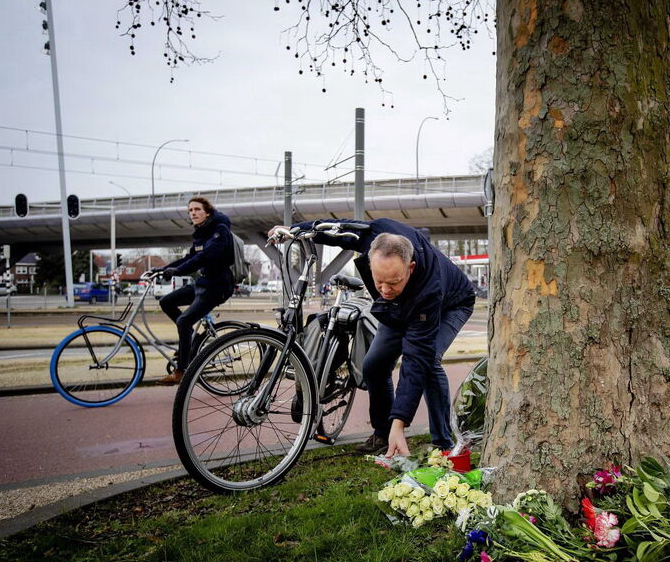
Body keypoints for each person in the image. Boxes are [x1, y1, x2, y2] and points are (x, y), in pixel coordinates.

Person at [269, 218, 476, 457]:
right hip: (398, 305)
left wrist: (400, 422)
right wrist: (297, 230)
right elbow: (339, 229)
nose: (385, 289)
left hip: (452, 304)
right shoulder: (374, 235)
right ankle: (382, 433)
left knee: (428, 364)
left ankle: (443, 443)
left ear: (410, 268)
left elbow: (416, 359)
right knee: (374, 366)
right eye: (379, 281)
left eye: (393, 282)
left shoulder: (430, 288)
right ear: (370, 258)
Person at [156, 196, 235, 385]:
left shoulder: (220, 230)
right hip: (203, 283)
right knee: (166, 302)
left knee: (183, 321)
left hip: (218, 286)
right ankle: (192, 339)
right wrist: (161, 270)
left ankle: (182, 371)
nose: (193, 213)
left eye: (197, 209)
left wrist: (178, 271)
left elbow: (206, 256)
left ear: (207, 212)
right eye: (190, 210)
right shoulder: (201, 233)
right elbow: (189, 258)